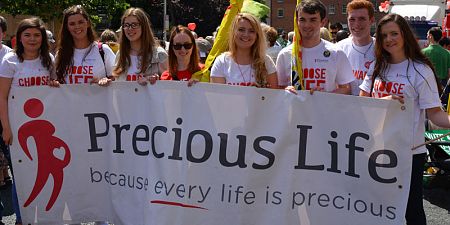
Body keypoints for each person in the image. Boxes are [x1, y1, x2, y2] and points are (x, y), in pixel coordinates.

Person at [359, 13, 450, 225]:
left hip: (409, 153)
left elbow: (434, 114)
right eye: (383, 36)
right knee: (376, 207)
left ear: (404, 35)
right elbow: (360, 105)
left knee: (412, 209)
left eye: (394, 34)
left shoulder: (420, 69)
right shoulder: (375, 67)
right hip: (374, 148)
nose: (389, 39)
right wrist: (385, 102)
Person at [0, 17, 55, 225]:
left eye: (37, 35)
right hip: (18, 129)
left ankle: (45, 215)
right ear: (18, 38)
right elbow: (2, 97)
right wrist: (6, 128)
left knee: (43, 172)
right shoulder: (10, 61)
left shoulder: (48, 58)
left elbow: (55, 92)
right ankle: (22, 218)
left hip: (46, 129)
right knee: (21, 176)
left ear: (42, 38)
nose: (32, 39)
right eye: (27, 35)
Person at [280, 0, 354, 94]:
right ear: (296, 22)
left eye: (313, 20)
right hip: (294, 108)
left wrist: (323, 97)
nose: (307, 25)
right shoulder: (285, 54)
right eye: (302, 20)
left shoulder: (336, 53)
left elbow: (346, 88)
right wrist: (285, 91)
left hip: (325, 108)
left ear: (323, 22)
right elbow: (277, 89)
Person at [51, 5, 115, 86]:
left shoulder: (103, 50)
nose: (77, 26)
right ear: (67, 27)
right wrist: (54, 83)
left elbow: (117, 78)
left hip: (98, 98)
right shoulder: (61, 53)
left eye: (80, 22)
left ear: (87, 23)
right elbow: (56, 81)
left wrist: (106, 80)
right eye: (72, 24)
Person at [210, 13, 278, 88]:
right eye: (241, 30)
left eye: (251, 31)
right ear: (233, 32)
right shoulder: (222, 61)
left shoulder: (266, 61)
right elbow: (217, 96)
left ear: (257, 36)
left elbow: (274, 95)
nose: (246, 34)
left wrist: (287, 90)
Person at [112, 7, 168, 85]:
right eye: (126, 25)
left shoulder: (159, 55)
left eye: (134, 25)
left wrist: (157, 81)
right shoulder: (120, 54)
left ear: (144, 27)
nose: (130, 28)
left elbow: (169, 86)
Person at [336, 0, 375, 96]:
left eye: (362, 19)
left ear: (371, 20)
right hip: (344, 107)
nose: (357, 24)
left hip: (373, 107)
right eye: (352, 19)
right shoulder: (338, 49)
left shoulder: (382, 49)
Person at [422, 27, 450, 104]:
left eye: (427, 34)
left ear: (430, 36)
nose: (426, 36)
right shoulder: (447, 53)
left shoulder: (423, 52)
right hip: (443, 84)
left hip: (427, 84)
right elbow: (449, 73)